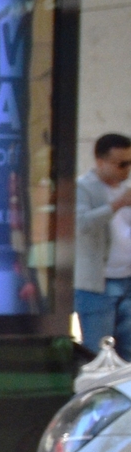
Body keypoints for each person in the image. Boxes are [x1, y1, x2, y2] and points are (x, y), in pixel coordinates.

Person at [74, 133, 131, 356]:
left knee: (128, 353)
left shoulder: (126, 188)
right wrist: (116, 205)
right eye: (121, 164)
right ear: (101, 162)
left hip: (127, 279)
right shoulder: (83, 188)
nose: (126, 169)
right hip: (98, 285)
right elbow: (81, 225)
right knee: (99, 352)